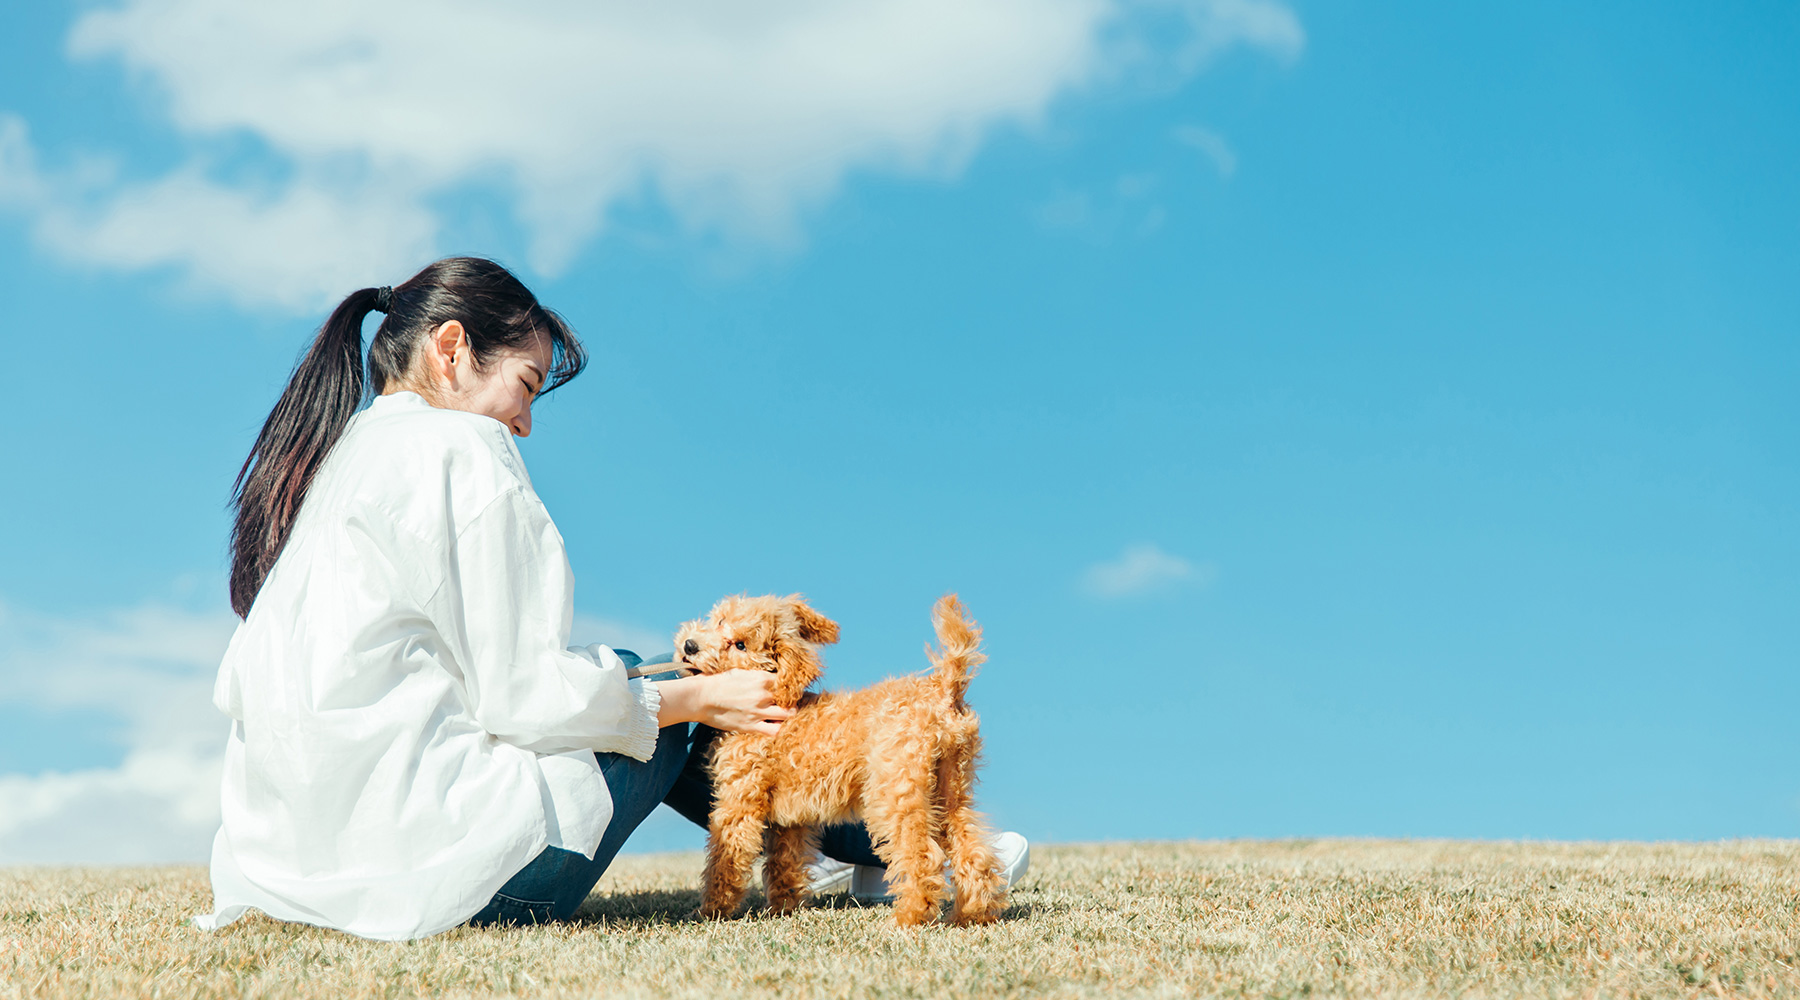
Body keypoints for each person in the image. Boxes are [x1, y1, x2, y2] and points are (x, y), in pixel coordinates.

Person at [193, 257, 1022, 941]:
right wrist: (693, 694)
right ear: (451, 350)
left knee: (636, 680)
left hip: (290, 875)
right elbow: (525, 700)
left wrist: (653, 684)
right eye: (525, 383)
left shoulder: (334, 468)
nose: (524, 421)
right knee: (671, 701)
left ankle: (857, 844)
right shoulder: (463, 450)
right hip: (436, 881)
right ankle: (895, 848)